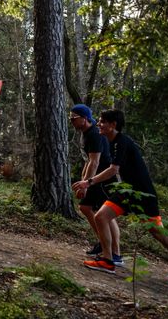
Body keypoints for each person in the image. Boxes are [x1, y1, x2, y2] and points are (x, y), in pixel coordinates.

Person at [72, 110, 168, 291]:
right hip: (127, 192)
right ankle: (108, 260)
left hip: (143, 194)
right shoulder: (111, 142)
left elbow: (113, 170)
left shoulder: (122, 141)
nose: (99, 124)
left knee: (159, 234)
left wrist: (88, 182)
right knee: (101, 217)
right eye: (98, 121)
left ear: (113, 125)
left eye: (102, 122)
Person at [69, 104, 122, 265]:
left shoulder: (94, 134)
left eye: (74, 118)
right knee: (86, 208)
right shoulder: (86, 134)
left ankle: (115, 253)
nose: (71, 121)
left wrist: (86, 184)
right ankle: (104, 243)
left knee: (105, 213)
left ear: (85, 119)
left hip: (104, 179)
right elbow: (89, 161)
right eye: (70, 118)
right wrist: (83, 180)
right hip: (95, 178)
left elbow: (95, 161)